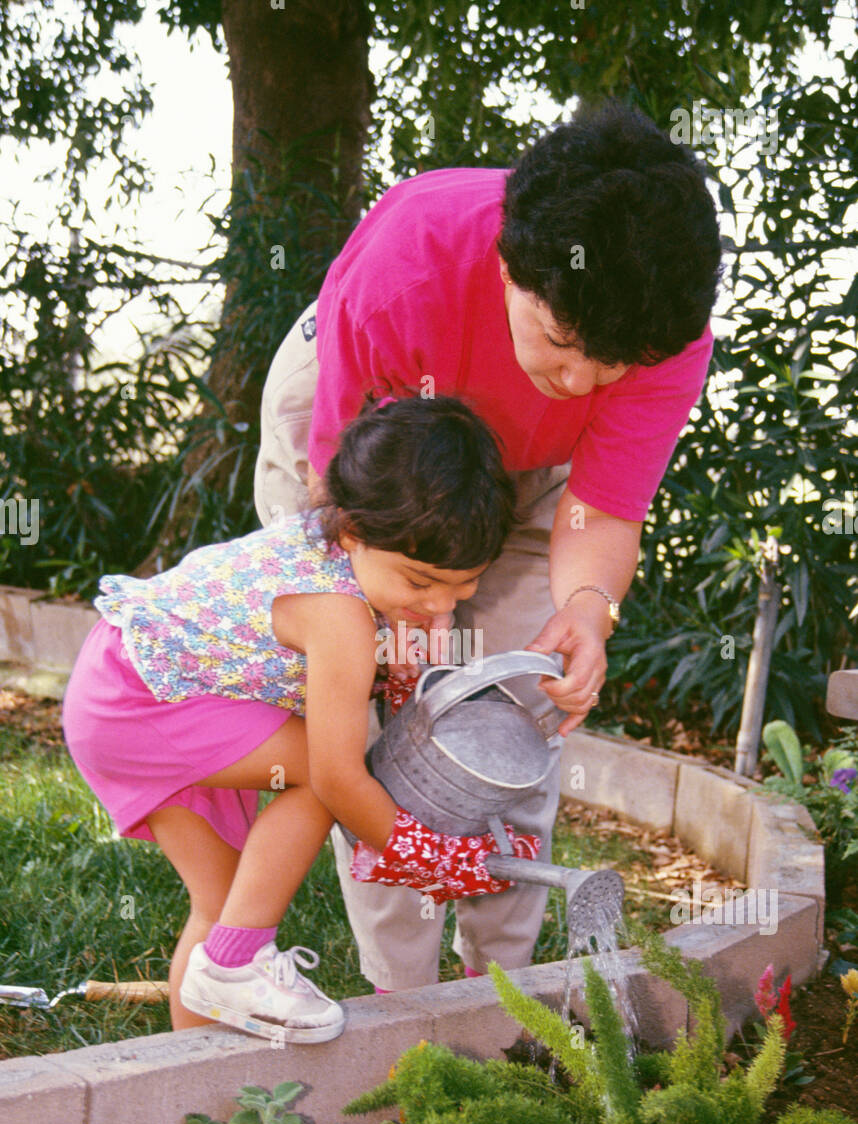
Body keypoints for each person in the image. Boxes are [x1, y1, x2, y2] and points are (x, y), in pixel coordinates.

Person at [253, 101, 722, 992]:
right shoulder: (407, 268)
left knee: (518, 703)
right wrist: (396, 623)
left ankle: (498, 997)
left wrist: (588, 608)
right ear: (510, 264)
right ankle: (405, 1004)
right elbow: (346, 504)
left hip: (536, 469)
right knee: (378, 711)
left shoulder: (660, 323)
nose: (579, 381)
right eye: (560, 341)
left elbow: (604, 506)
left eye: (612, 366)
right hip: (368, 447)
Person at [61, 395, 537, 1043]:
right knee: (314, 775)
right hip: (143, 702)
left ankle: (190, 1083)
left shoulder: (332, 553)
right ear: (352, 532)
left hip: (123, 682)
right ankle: (235, 963)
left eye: (462, 588)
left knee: (224, 904)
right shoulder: (338, 614)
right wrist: (430, 857)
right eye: (421, 582)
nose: (438, 609)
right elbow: (339, 781)